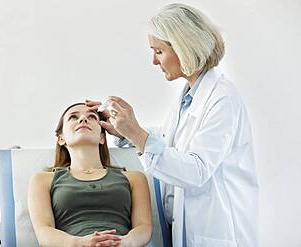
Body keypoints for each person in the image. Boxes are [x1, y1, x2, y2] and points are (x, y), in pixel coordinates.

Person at [86, 3, 259, 247]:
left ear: (183, 48)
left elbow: (196, 170)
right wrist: (123, 129)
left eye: (158, 51)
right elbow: (170, 138)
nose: (154, 62)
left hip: (218, 231)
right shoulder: (189, 95)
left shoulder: (222, 98)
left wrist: (136, 134)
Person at [27, 103, 152, 247]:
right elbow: (44, 233)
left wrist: (123, 243)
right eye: (73, 117)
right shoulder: (42, 180)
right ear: (61, 138)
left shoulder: (134, 178)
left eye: (91, 117)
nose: (83, 120)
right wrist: (81, 243)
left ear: (102, 137)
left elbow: (143, 227)